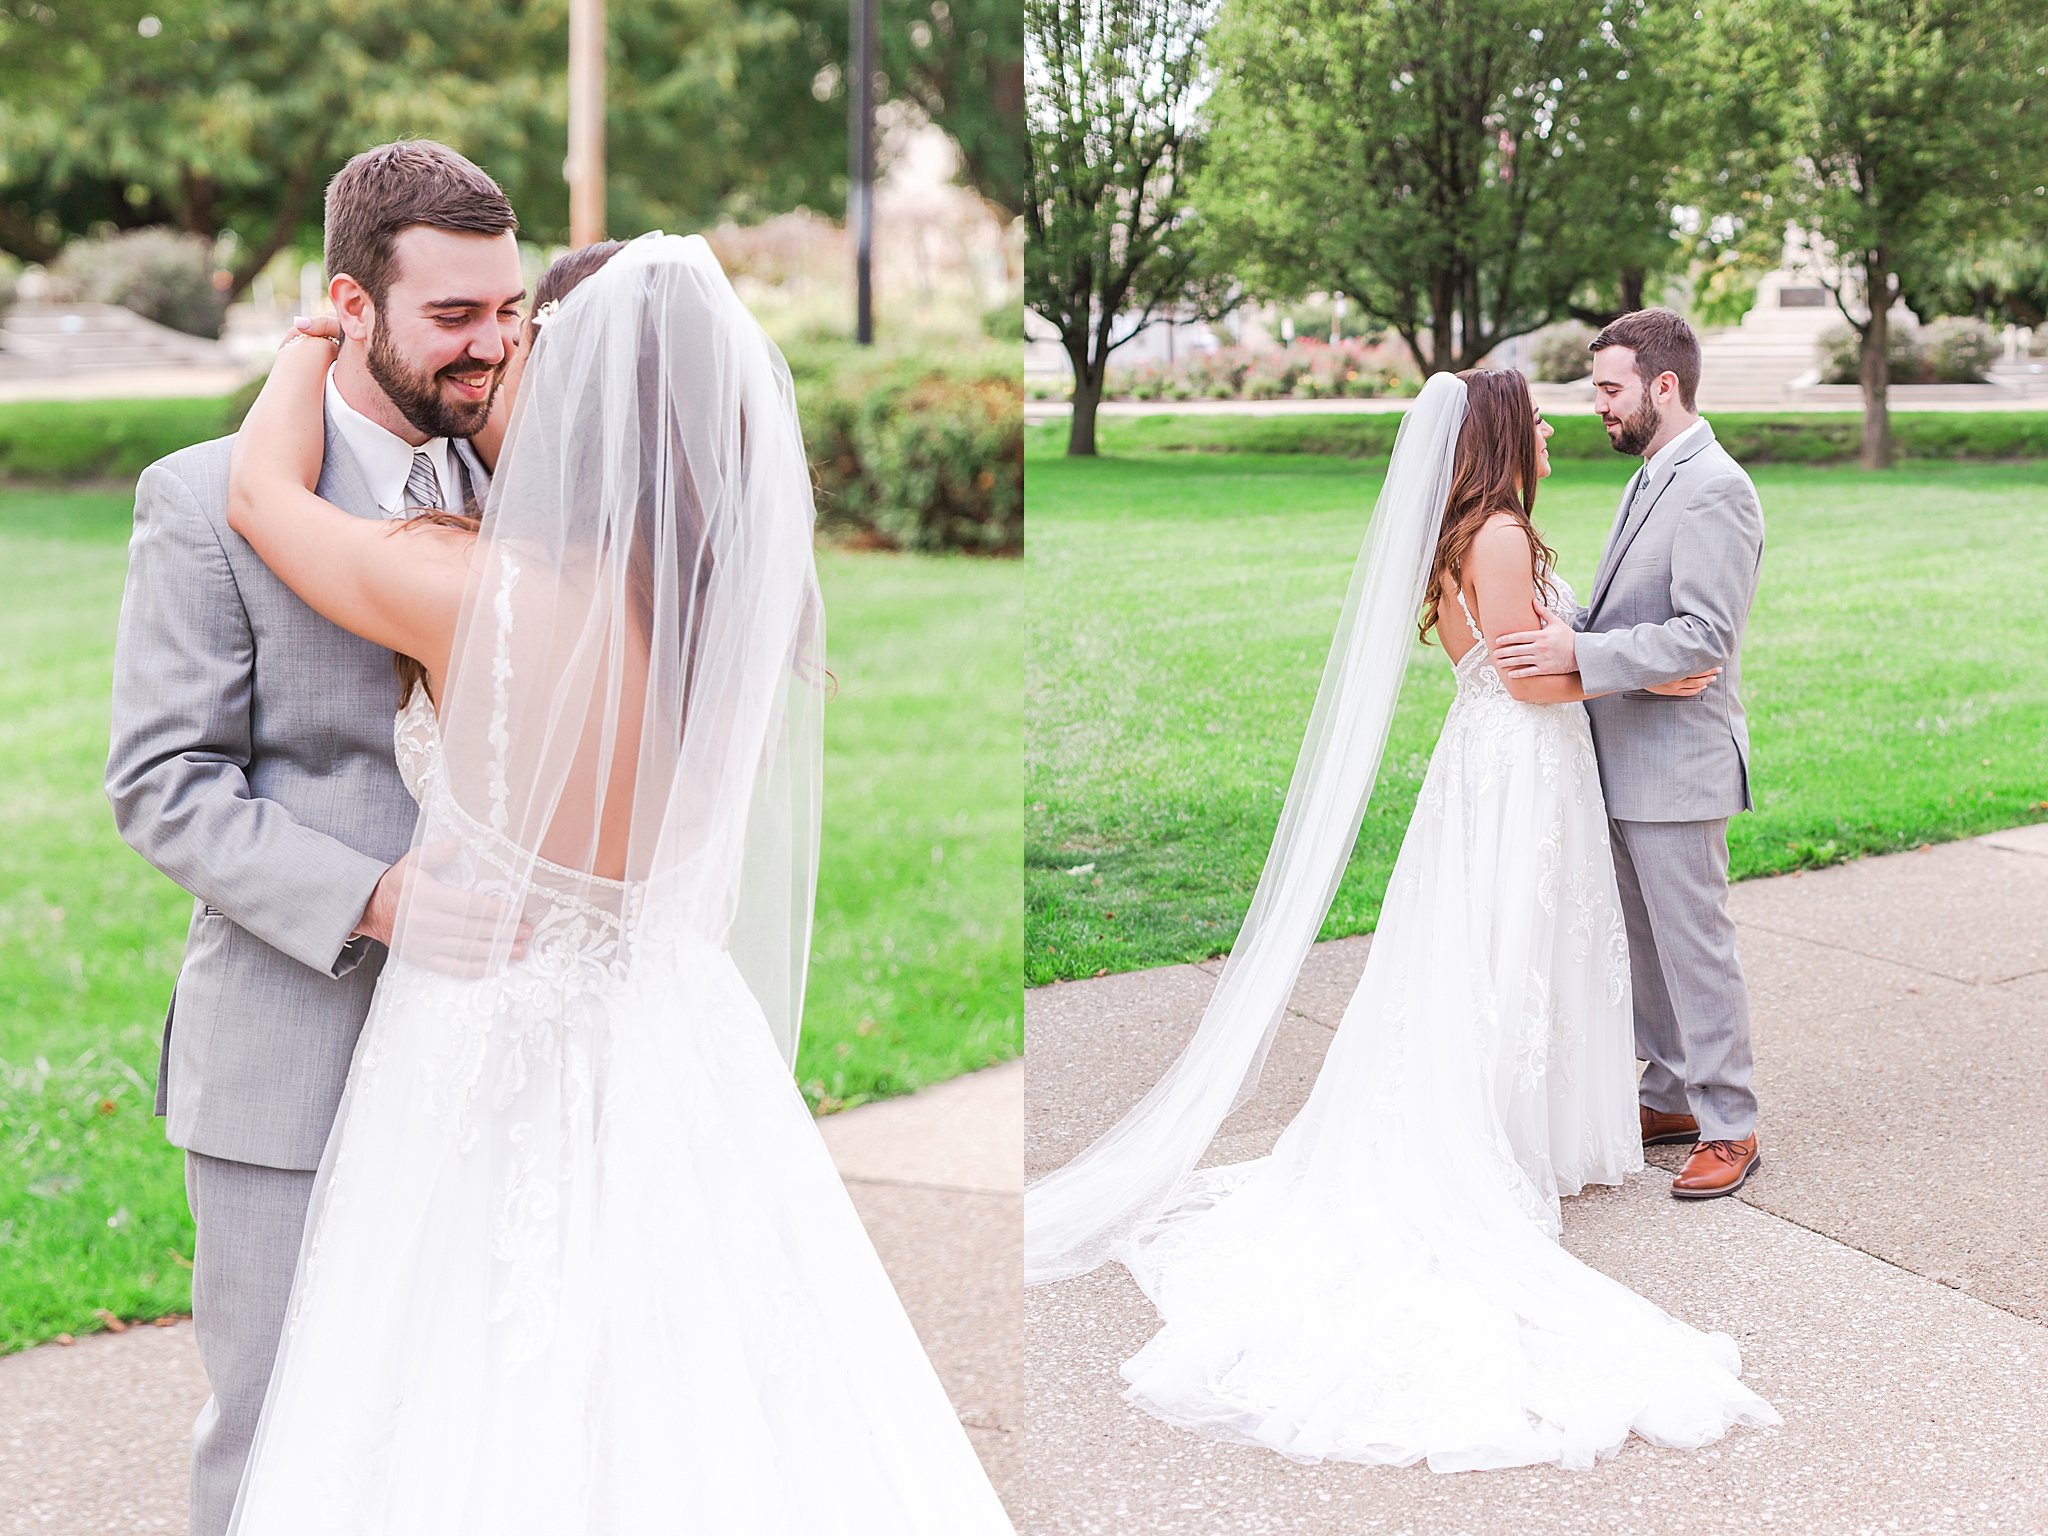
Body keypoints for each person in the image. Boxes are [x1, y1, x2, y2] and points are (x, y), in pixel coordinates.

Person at [1023, 367, 1778, 1470]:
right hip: (1521, 765)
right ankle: (1523, 1130)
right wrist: (1622, 675)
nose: (1559, 425)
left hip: (1495, 767)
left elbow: (1486, 660)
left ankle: (1564, 1112)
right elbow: (1522, 681)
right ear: (1502, 433)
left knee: (1487, 959)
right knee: (1506, 955)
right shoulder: (1505, 531)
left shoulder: (1459, 527)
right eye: (1540, 415)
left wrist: (1586, 666)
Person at [1495, 307, 1767, 1199]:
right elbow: (1627, 618)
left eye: (1610, 389)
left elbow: (1702, 635)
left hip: (1680, 763)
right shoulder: (1651, 474)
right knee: (1642, 946)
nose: (1597, 406)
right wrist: (1566, 628)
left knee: (1694, 948)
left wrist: (1582, 655)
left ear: (1663, 386)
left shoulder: (1716, 485)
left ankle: (1731, 1123)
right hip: (1619, 754)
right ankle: (1669, 1094)